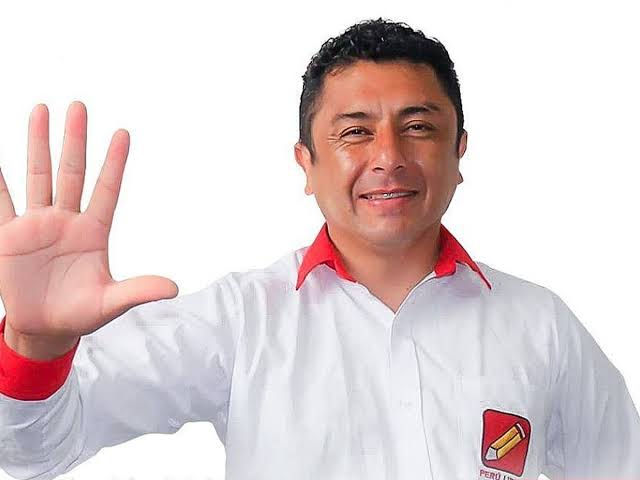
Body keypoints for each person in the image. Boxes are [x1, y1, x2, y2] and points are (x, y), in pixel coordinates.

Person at [0, 17, 638, 480]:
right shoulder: (241, 320)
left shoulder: (541, 325)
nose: (388, 156)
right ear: (306, 164)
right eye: (355, 132)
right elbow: (37, 450)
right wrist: (33, 346)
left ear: (458, 152)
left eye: (418, 127)